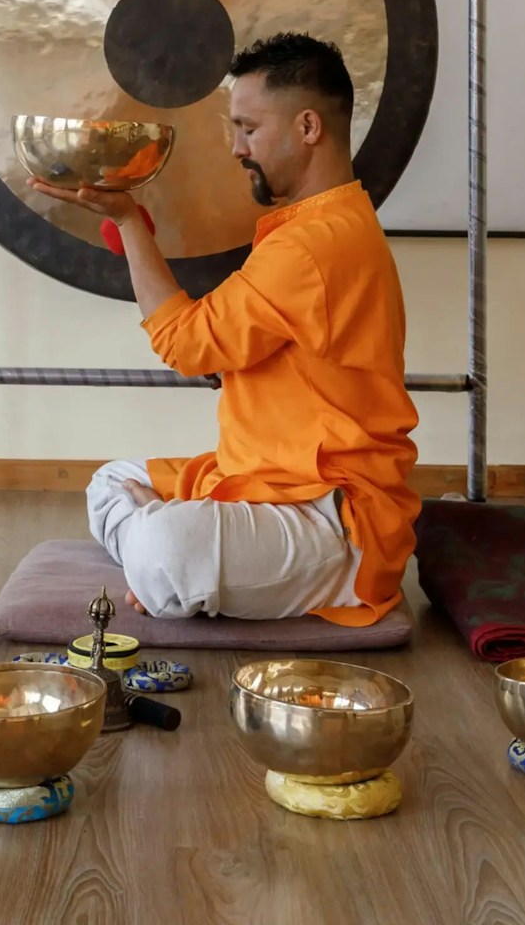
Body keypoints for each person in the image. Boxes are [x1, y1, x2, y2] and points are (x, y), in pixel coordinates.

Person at [30, 32, 420, 626]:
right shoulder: (334, 221)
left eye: (248, 128)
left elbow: (187, 344)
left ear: (308, 127)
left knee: (168, 548)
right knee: (113, 480)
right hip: (260, 480)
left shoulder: (312, 245)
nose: (237, 147)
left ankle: (167, 562)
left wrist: (131, 223)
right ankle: (175, 562)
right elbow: (227, 349)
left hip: (329, 519)